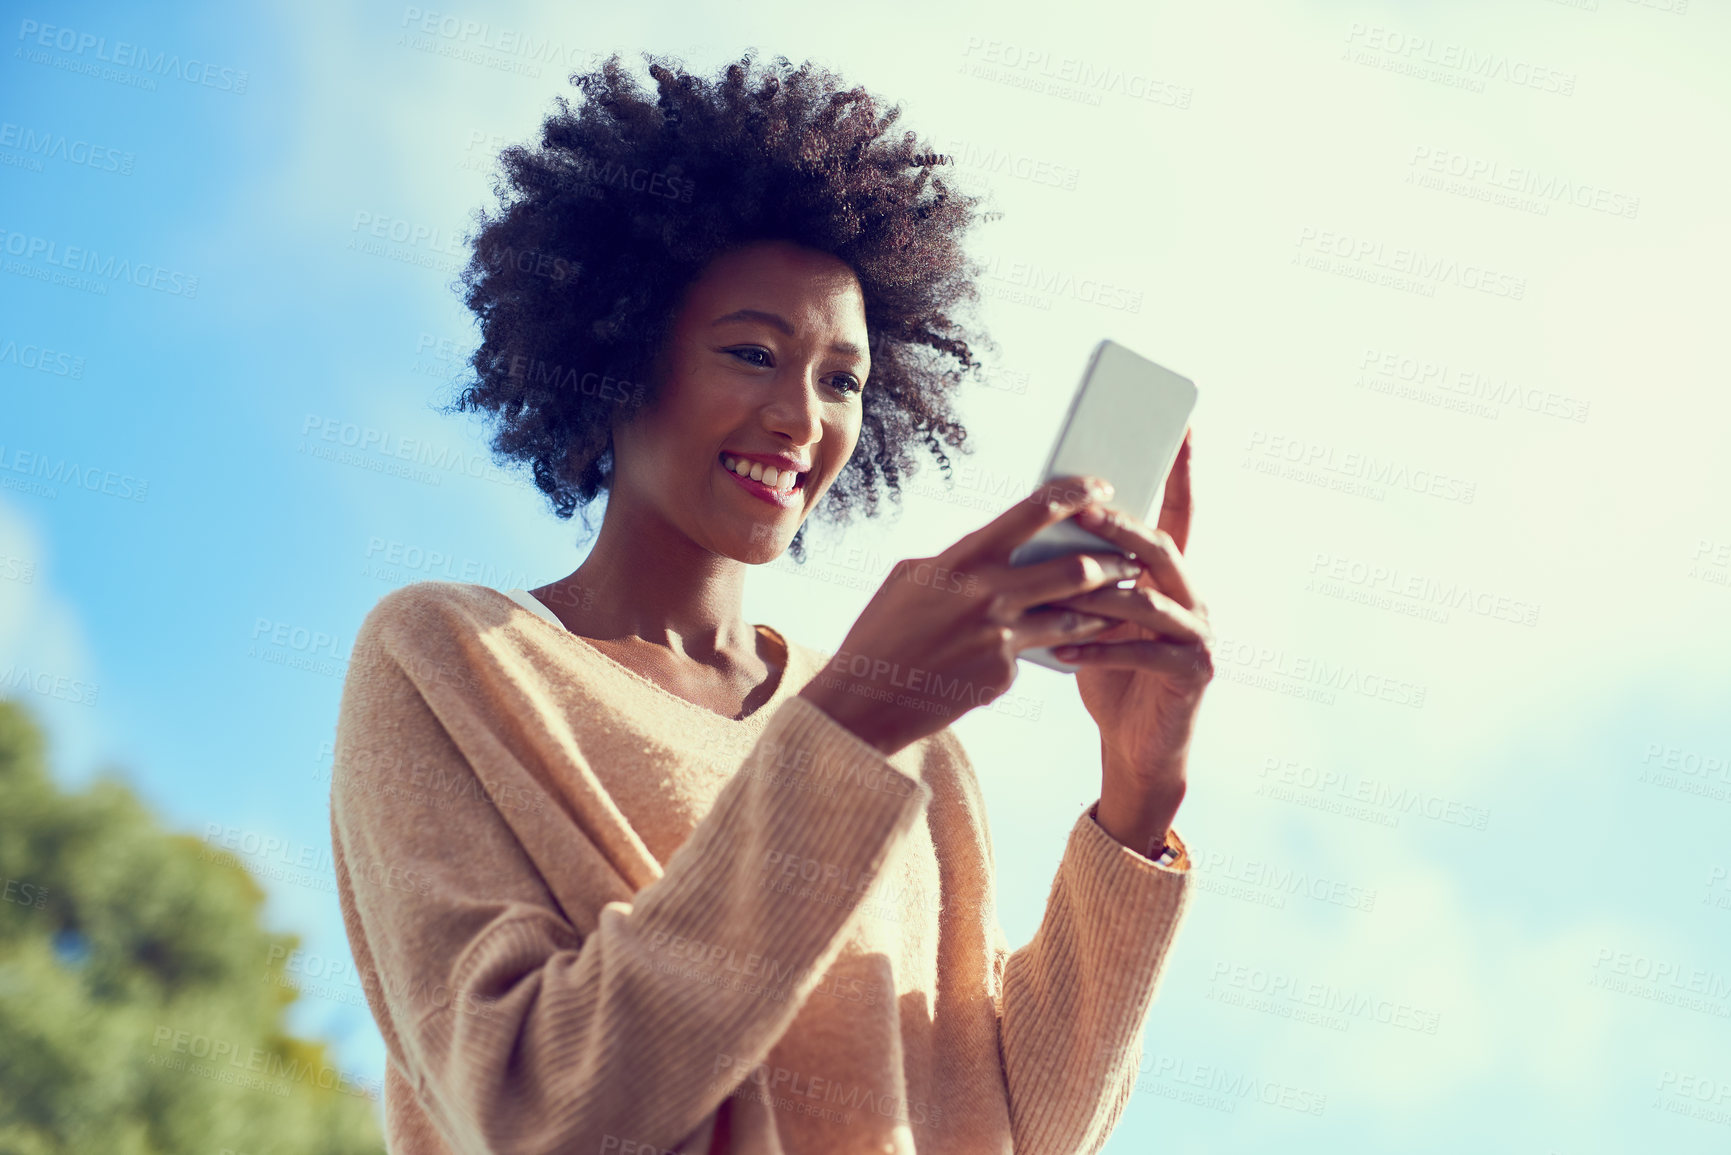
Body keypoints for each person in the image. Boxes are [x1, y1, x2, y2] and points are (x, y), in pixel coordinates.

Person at [330, 50, 1214, 1155]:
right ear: (617, 355)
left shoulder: (926, 756)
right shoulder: (455, 657)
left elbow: (1005, 1127)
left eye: (843, 380)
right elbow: (535, 1112)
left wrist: (1137, 797)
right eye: (754, 352)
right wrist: (854, 720)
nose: (805, 417)